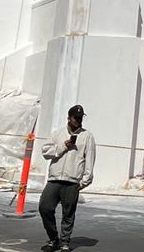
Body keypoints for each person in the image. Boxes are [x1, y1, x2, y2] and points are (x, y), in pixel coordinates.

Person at [38, 104, 96, 252]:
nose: (78, 120)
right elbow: (45, 152)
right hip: (54, 179)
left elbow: (89, 160)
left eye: (80, 117)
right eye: (76, 117)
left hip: (72, 181)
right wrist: (62, 147)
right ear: (69, 118)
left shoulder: (87, 136)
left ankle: (64, 242)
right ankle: (53, 238)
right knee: (45, 207)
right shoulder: (58, 134)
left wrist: (83, 182)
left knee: (68, 213)